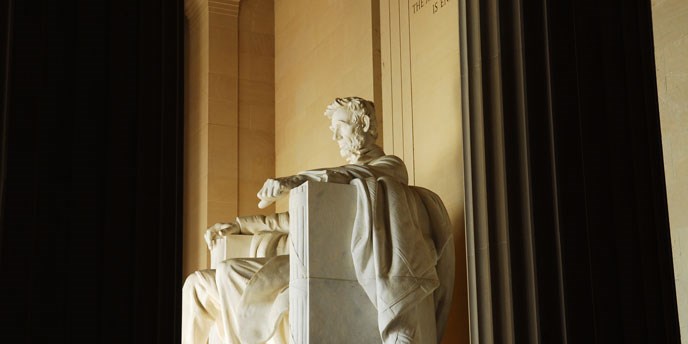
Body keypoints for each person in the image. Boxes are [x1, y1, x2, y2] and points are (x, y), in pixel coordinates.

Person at [182, 97, 454, 344]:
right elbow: (287, 222)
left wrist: (295, 180)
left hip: (325, 267)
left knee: (229, 272)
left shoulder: (386, 168)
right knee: (194, 285)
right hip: (302, 262)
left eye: (341, 126)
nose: (335, 136)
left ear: (365, 124)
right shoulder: (344, 180)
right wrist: (240, 225)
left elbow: (351, 173)